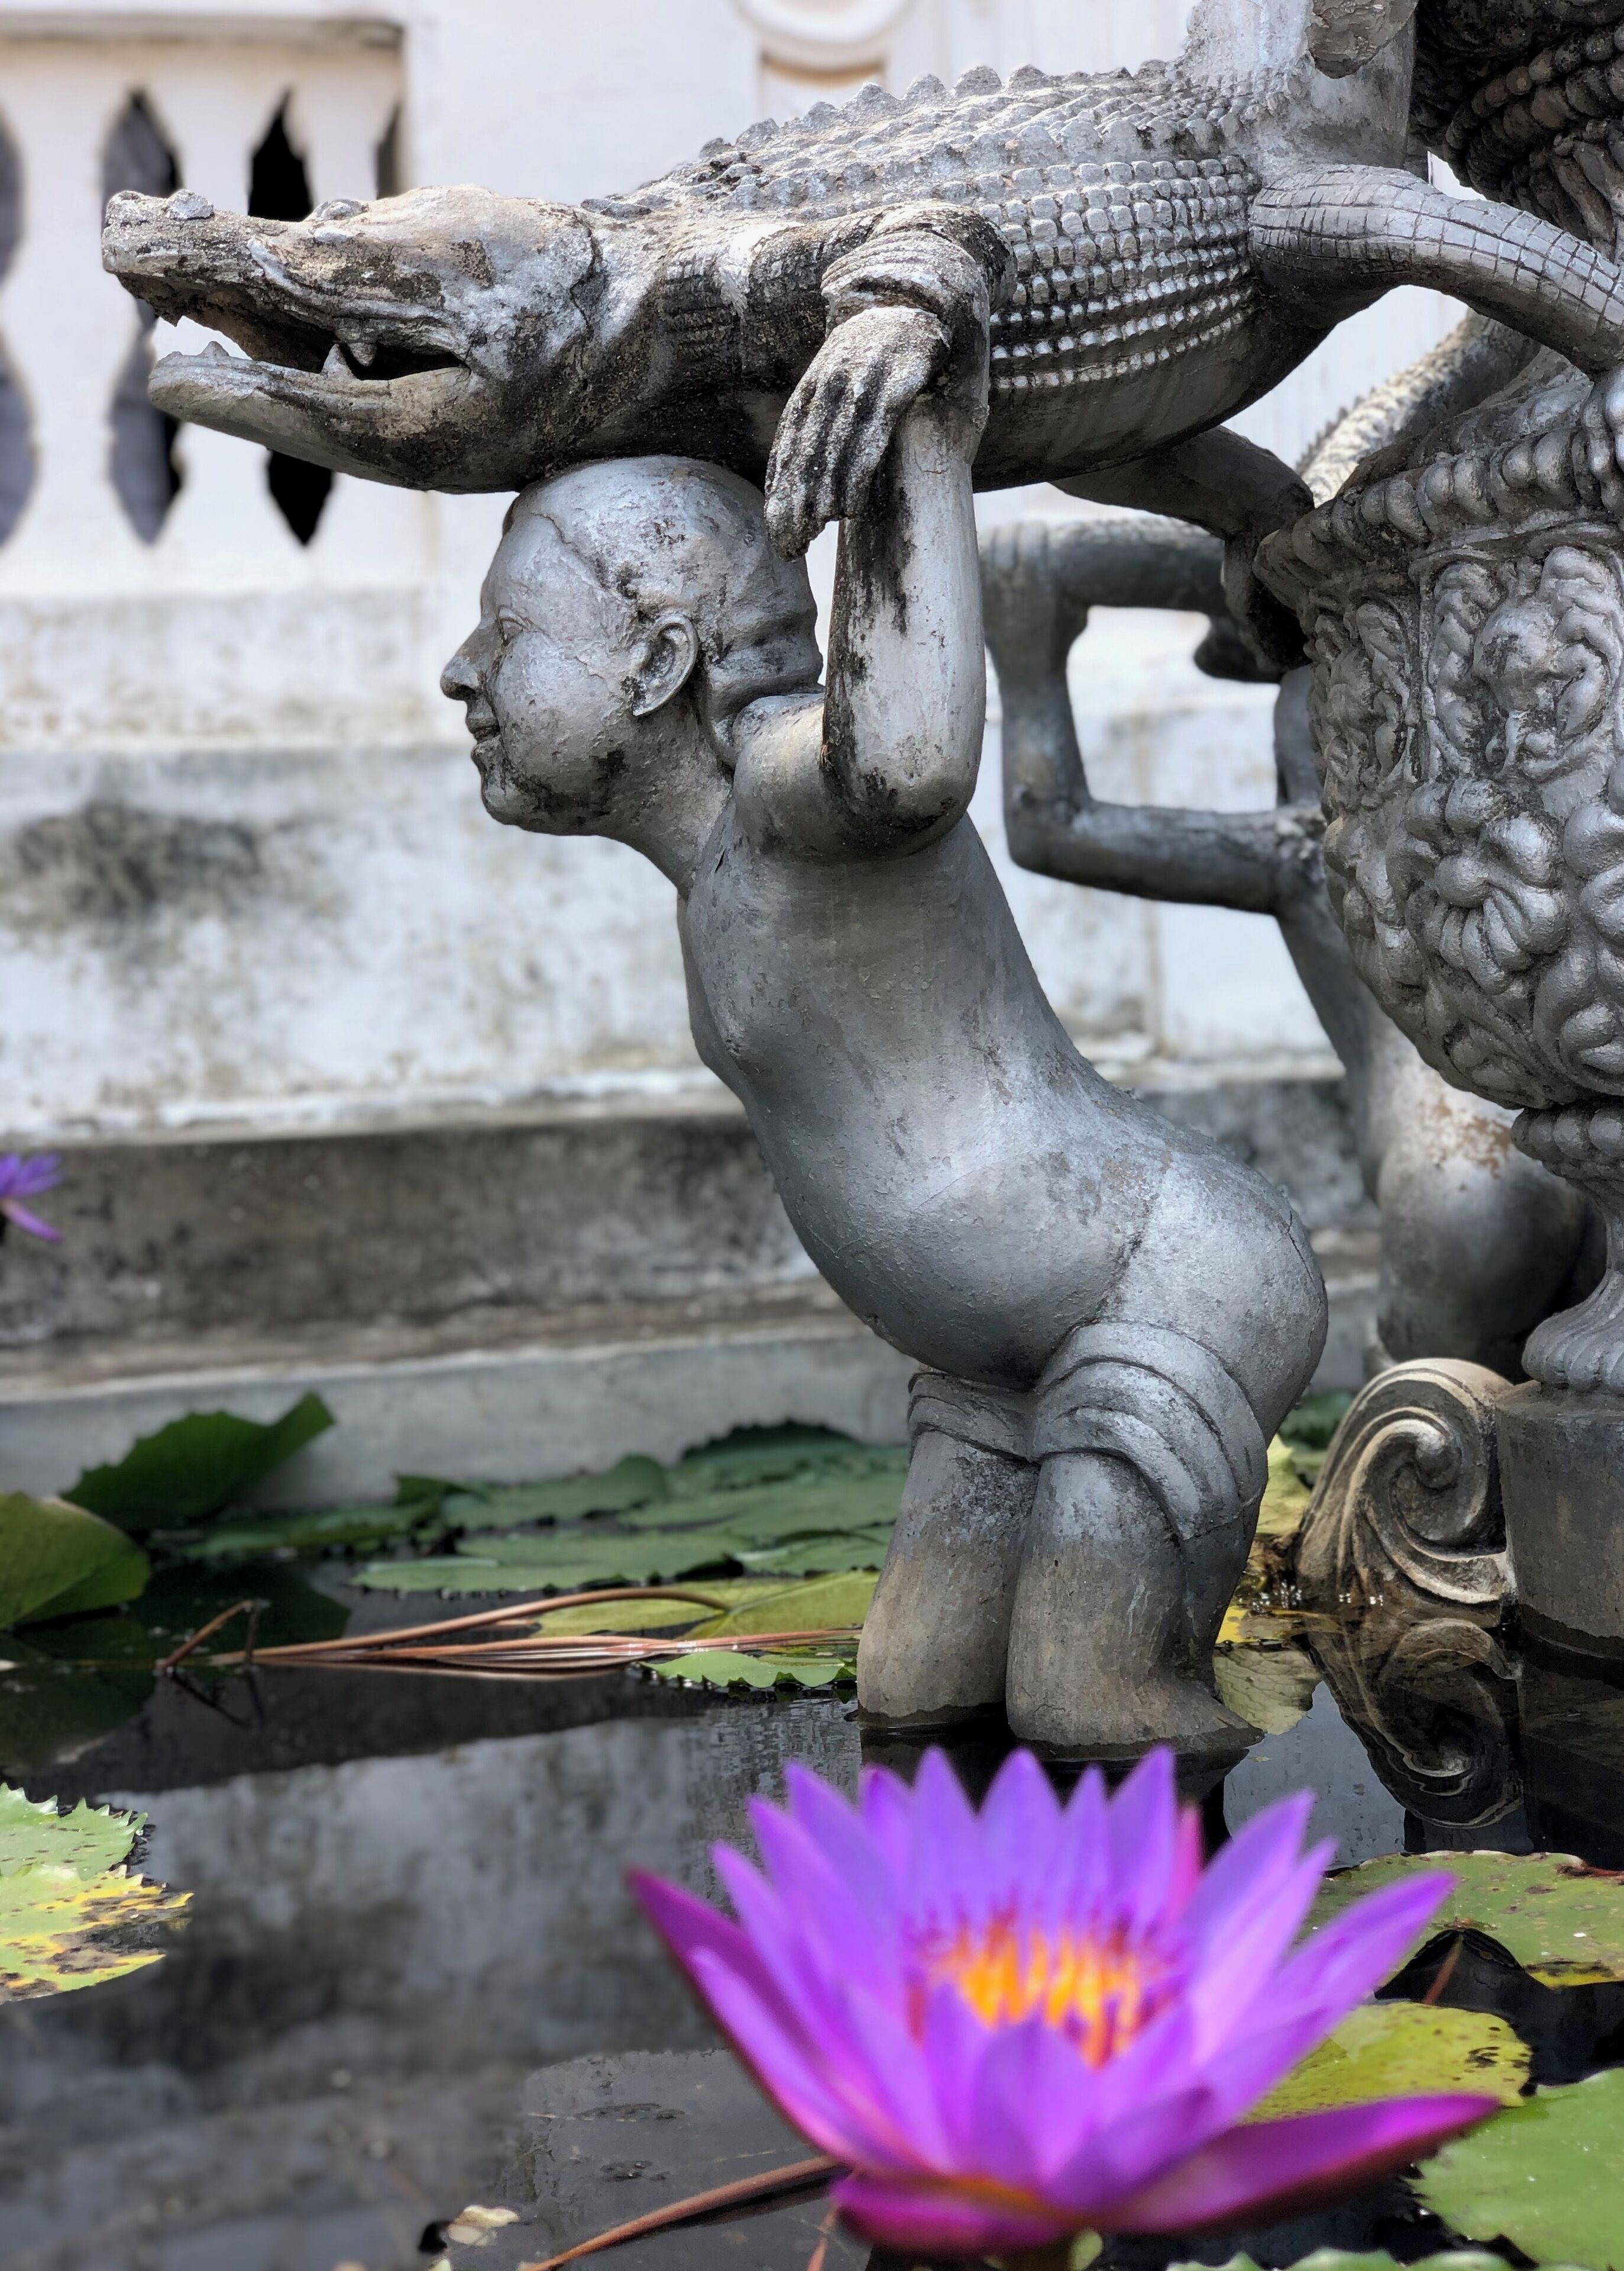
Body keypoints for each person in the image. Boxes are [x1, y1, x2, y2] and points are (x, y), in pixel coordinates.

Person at [439, 315, 1325, 1760]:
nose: (461, 673)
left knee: (1092, 1715)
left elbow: (911, 754)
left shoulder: (798, 798)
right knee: (915, 1703)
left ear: (657, 662)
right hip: (991, 1366)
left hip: (1166, 1291)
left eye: (508, 634)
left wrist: (922, 428)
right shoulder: (717, 863)